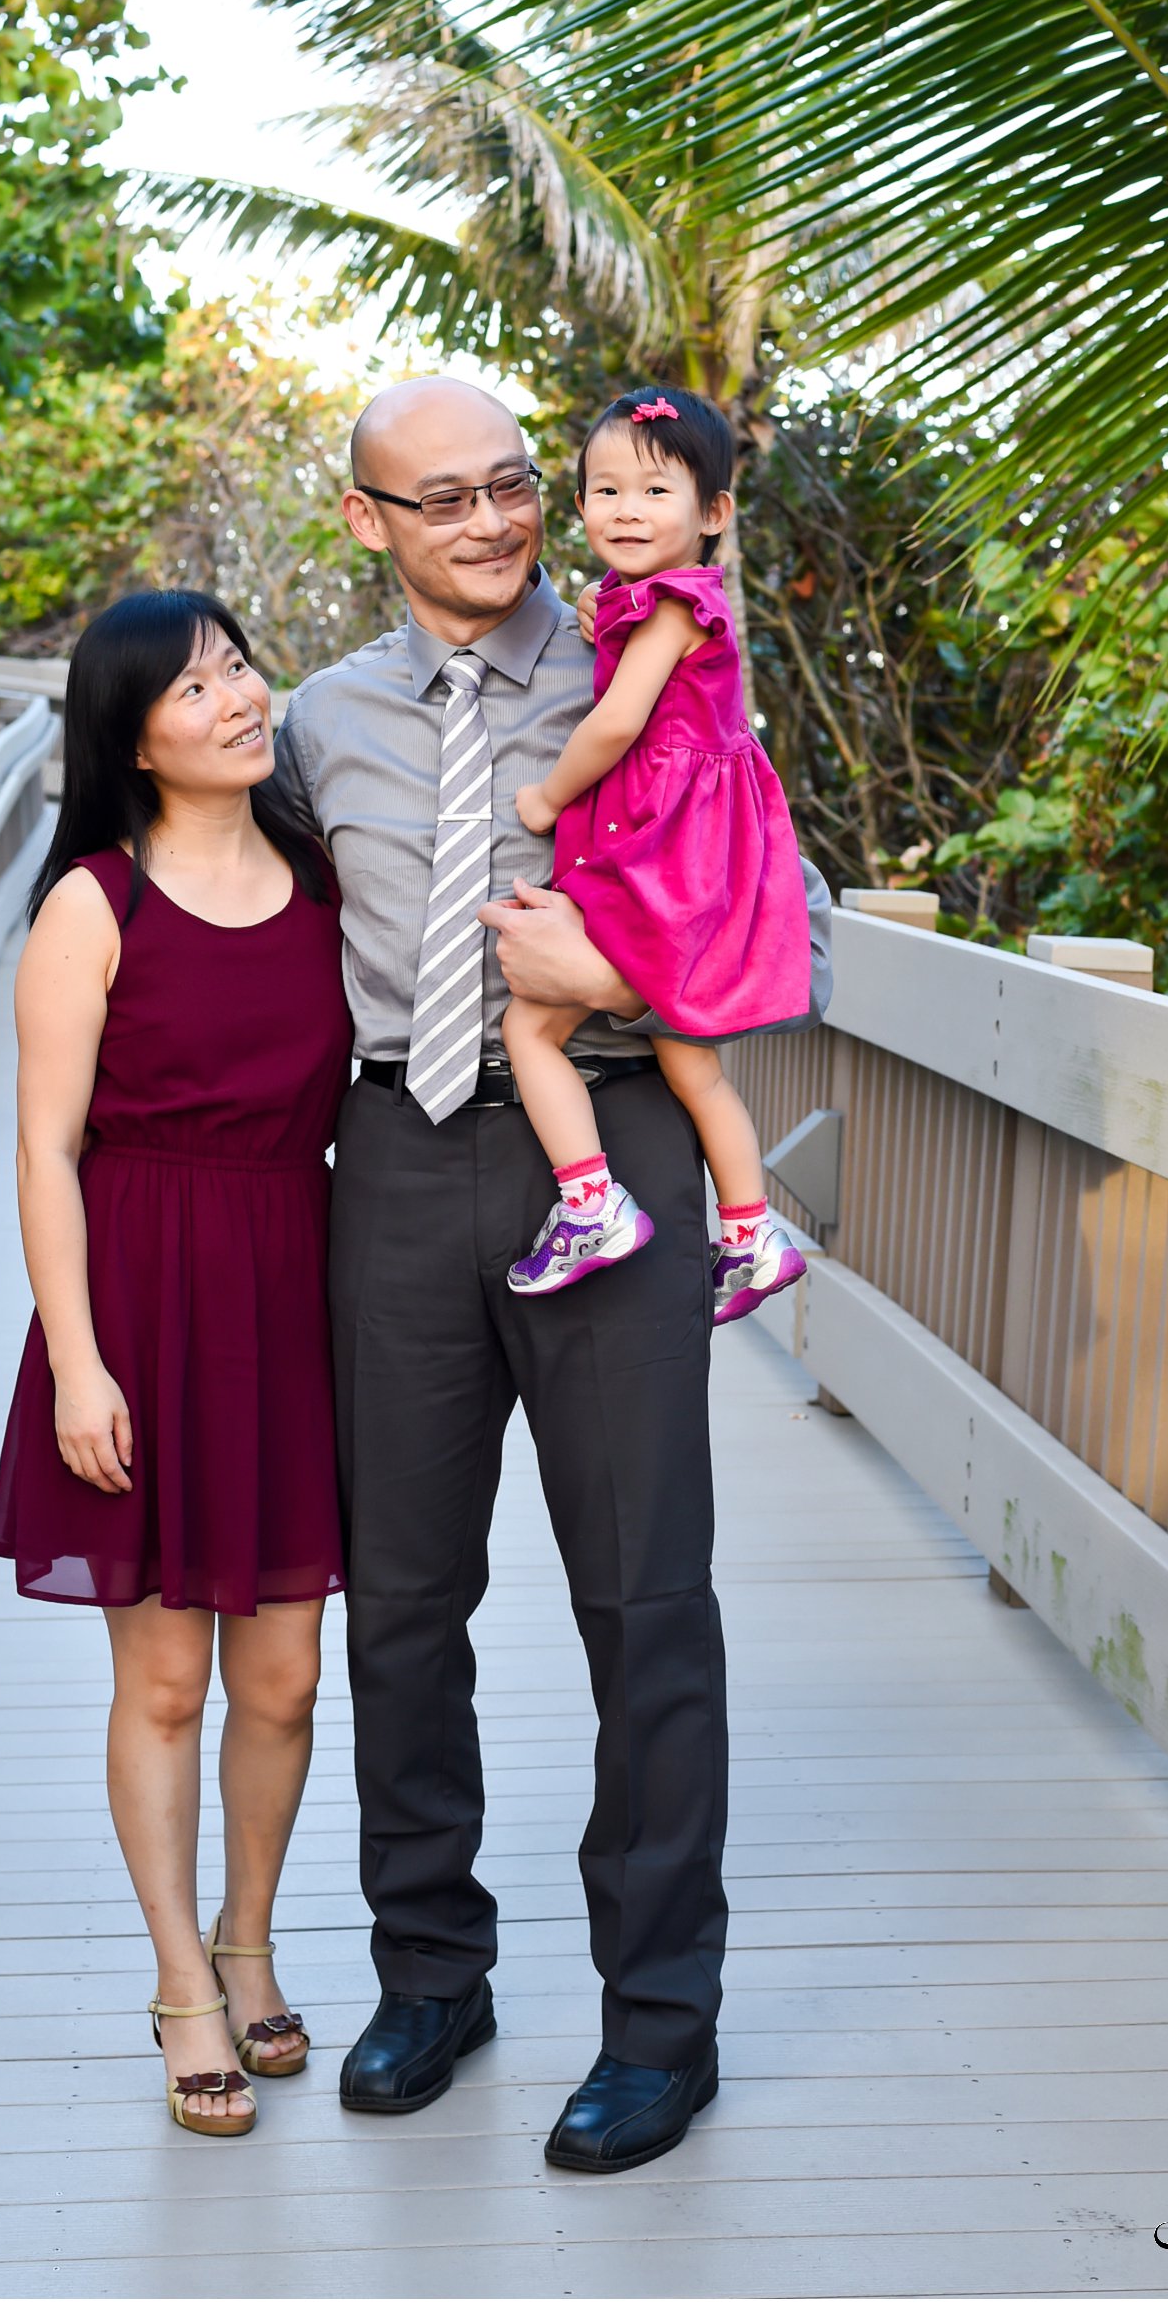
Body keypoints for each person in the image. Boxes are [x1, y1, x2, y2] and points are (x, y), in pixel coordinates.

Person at [267, 376, 832, 2174]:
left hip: (612, 1151)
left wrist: (618, 982)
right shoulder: (310, 726)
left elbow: (784, 933)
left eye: (517, 484)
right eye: (443, 499)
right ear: (367, 519)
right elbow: (233, 939)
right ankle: (431, 1971)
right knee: (405, 1603)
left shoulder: (649, 668)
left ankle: (664, 2025)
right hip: (400, 1164)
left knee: (645, 1597)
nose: (497, 522)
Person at [0, 590, 349, 2140]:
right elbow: (44, 1148)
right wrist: (77, 1362)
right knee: (167, 1675)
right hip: (136, 1290)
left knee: (282, 1670)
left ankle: (252, 1936)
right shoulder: (95, 900)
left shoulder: (327, 877)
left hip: (291, 1285)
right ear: (132, 732)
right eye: (196, 686)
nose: (239, 697)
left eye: (241, 667)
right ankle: (180, 1979)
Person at [505, 385, 811, 1320]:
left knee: (528, 1027)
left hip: (658, 855)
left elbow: (618, 723)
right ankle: (751, 1230)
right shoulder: (658, 605)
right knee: (693, 1068)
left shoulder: (675, 607)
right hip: (692, 859)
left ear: (713, 513)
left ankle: (590, 1200)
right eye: (604, 492)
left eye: (653, 492)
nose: (625, 511)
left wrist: (549, 794)